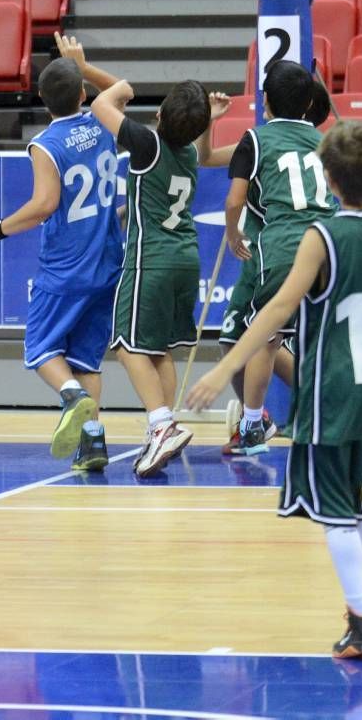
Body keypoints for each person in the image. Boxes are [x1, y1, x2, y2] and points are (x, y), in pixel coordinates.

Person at [188, 119, 362, 660]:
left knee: (331, 513)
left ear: (328, 178)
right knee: (343, 498)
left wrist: (221, 367)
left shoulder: (323, 235)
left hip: (331, 391)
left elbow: (277, 308)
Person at [0, 36, 123, 472]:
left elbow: (43, 206)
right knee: (85, 359)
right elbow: (123, 88)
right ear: (82, 93)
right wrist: (86, 66)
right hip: (107, 261)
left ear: (41, 100)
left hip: (66, 265)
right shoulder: (102, 122)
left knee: (40, 349)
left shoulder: (45, 144)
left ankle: (72, 397)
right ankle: (92, 443)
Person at [92, 77, 226, 478]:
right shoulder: (187, 152)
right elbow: (203, 153)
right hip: (186, 256)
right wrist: (208, 122)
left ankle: (161, 423)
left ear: (161, 114)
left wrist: (94, 73)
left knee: (126, 346)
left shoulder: (148, 144)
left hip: (151, 259)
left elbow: (102, 104)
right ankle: (162, 429)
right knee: (158, 350)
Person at [224, 61, 336, 455]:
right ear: (309, 103)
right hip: (332, 244)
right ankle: (337, 411)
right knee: (326, 338)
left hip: (287, 244)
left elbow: (236, 199)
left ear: (265, 100)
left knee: (263, 337)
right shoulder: (327, 141)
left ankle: (253, 425)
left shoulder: (256, 139)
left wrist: (232, 230)